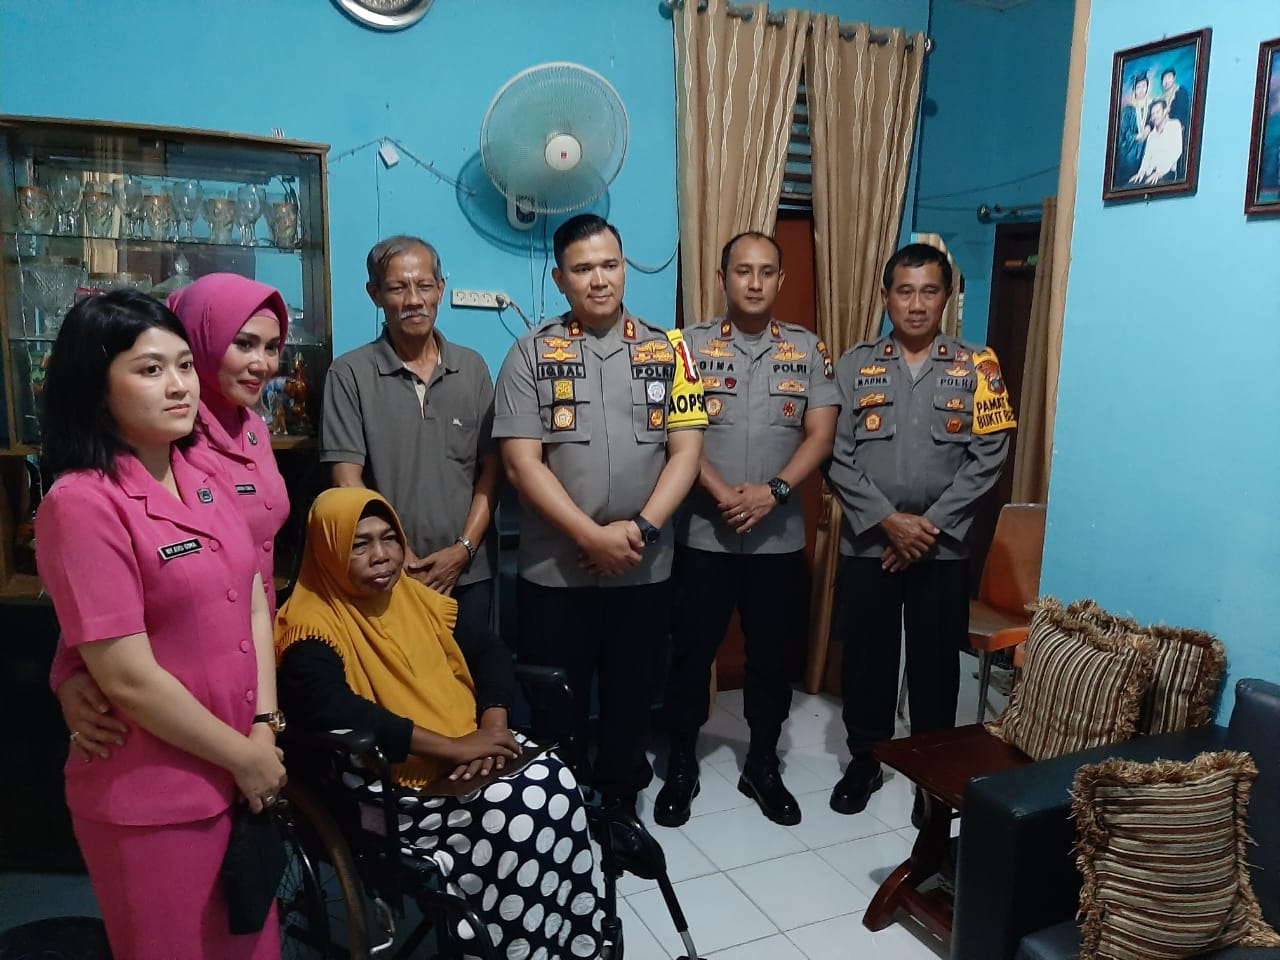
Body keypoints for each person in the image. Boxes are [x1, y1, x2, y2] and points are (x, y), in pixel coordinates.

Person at [35, 290, 287, 959]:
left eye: (183, 365)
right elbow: (129, 678)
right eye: (150, 370)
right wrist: (245, 756)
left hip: (240, 773)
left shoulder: (200, 471)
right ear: (96, 387)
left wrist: (264, 726)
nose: (180, 386)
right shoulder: (81, 503)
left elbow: (251, 594)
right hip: (155, 795)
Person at [275, 488, 604, 960]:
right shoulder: (310, 626)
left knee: (558, 784)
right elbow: (338, 711)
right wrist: (452, 748)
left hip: (471, 742)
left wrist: (492, 728)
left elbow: (489, 651)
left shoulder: (413, 597)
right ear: (328, 549)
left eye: (389, 538)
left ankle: (573, 943)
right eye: (359, 544)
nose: (382, 555)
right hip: (391, 778)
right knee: (515, 812)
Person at [493, 214, 706, 813]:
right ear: (560, 279)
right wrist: (591, 536)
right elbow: (521, 466)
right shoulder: (529, 354)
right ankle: (562, 818)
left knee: (631, 696)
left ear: (624, 267)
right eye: (583, 269)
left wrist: (639, 530)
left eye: (609, 264)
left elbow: (687, 452)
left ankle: (619, 811)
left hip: (644, 566)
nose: (599, 279)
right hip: (556, 572)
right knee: (556, 706)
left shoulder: (671, 350)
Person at [52, 273, 292, 762]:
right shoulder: (168, 435)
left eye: (272, 348)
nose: (262, 363)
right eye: (243, 343)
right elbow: (110, 566)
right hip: (182, 689)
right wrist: (68, 669)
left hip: (252, 659)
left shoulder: (252, 427)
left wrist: (265, 718)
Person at [654, 232, 839, 828]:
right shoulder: (687, 347)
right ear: (722, 278)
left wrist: (773, 491)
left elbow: (821, 434)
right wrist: (718, 491)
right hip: (703, 535)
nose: (754, 282)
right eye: (742, 271)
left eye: (765, 272)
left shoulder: (807, 349)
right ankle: (682, 762)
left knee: (770, 659)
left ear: (781, 280)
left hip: (777, 540)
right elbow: (675, 431)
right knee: (690, 655)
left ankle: (762, 763)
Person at [824, 244, 1015, 816]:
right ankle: (865, 760)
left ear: (946, 298)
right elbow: (834, 453)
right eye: (904, 291)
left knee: (936, 665)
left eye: (928, 291)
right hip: (870, 543)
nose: (915, 304)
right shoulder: (854, 365)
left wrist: (925, 529)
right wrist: (889, 522)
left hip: (942, 547)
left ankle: (931, 778)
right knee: (868, 660)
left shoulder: (979, 365)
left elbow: (990, 455)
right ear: (886, 297)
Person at [322, 236, 500, 643]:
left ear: (441, 289)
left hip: (468, 574)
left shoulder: (472, 368)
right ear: (375, 295)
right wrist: (398, 556)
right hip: (384, 574)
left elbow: (492, 470)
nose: (414, 300)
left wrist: (464, 549)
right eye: (398, 288)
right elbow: (347, 481)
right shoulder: (349, 374)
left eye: (424, 285)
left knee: (469, 672)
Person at [1129, 98, 1183, 187]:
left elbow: (1176, 151)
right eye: (1153, 114)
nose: (1154, 116)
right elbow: (1147, 156)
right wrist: (1141, 171)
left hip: (1167, 172)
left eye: (1157, 112)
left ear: (1165, 112)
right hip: (1149, 172)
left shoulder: (1174, 125)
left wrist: (1160, 172)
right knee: (1129, 186)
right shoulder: (1151, 135)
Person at [1115, 74, 1154, 186]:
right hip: (1131, 145)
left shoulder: (1152, 105)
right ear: (1134, 89)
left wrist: (1148, 128)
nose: (1141, 90)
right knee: (1128, 161)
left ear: (1147, 87)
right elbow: (1123, 131)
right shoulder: (1128, 109)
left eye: (1144, 86)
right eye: (1138, 87)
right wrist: (1135, 137)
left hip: (1148, 142)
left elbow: (1155, 120)